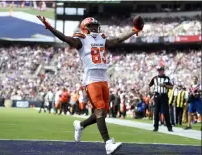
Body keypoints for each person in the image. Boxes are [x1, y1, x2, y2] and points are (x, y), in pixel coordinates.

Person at [37, 15, 143, 154]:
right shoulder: (81, 40)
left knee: (103, 112)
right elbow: (65, 38)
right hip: (91, 79)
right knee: (99, 108)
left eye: (95, 25)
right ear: (84, 28)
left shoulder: (101, 38)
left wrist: (133, 30)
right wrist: (50, 28)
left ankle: (80, 125)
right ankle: (108, 143)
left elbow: (116, 40)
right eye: (91, 26)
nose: (94, 27)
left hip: (103, 78)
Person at [148, 66, 173, 132]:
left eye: (161, 70)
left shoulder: (166, 78)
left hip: (164, 96)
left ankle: (169, 127)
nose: (159, 72)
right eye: (158, 70)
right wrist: (151, 93)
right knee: (156, 112)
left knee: (166, 112)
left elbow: (171, 87)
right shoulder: (155, 78)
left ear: (163, 71)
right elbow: (149, 85)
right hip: (157, 95)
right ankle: (156, 127)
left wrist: (164, 86)